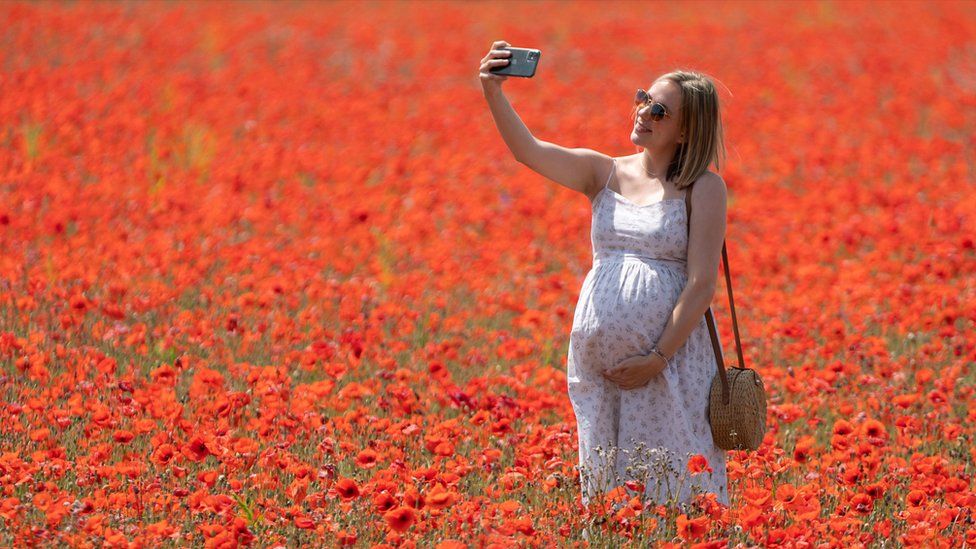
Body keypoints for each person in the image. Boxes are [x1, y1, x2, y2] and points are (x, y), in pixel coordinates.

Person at [479, 40, 731, 514]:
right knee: (608, 490)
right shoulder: (603, 172)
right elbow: (528, 152)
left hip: (670, 364)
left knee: (672, 486)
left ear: (685, 131)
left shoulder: (703, 187)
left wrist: (657, 357)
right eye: (643, 99)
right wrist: (493, 91)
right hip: (599, 372)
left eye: (659, 110)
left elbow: (701, 285)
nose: (643, 113)